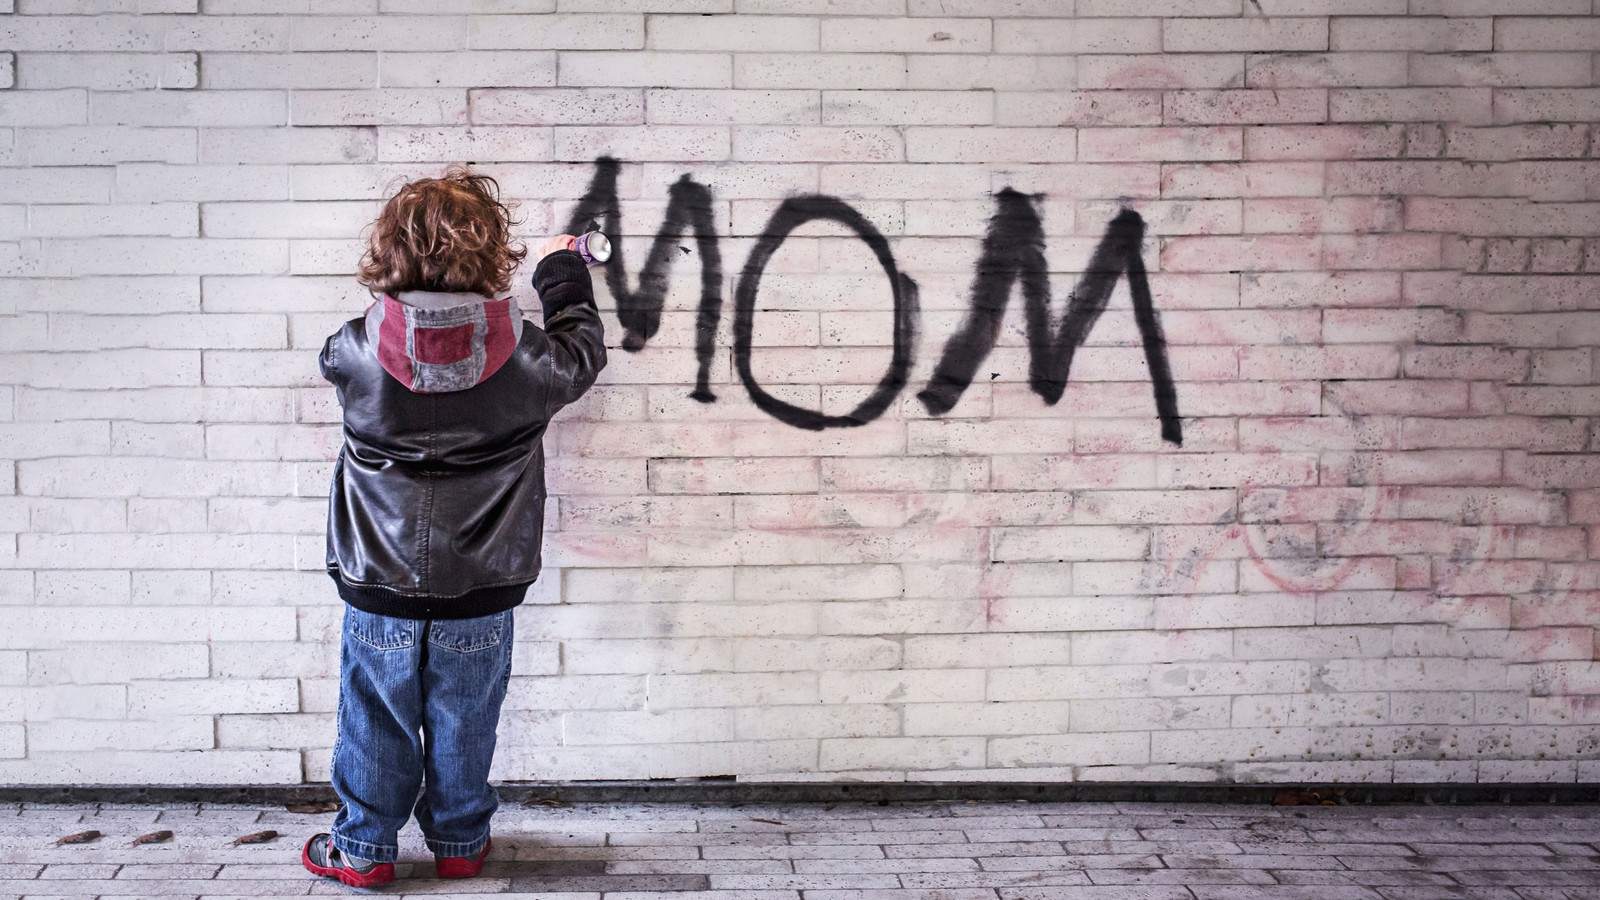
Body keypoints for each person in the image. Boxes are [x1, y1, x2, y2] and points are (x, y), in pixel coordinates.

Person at [301, 167, 606, 887]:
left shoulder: (352, 351)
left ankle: (366, 851)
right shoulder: (532, 362)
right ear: (489, 249)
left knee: (375, 719)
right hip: (484, 582)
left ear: (391, 249)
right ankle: (462, 844)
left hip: (378, 578)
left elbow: (354, 356)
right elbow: (582, 354)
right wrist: (562, 270)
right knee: (467, 717)